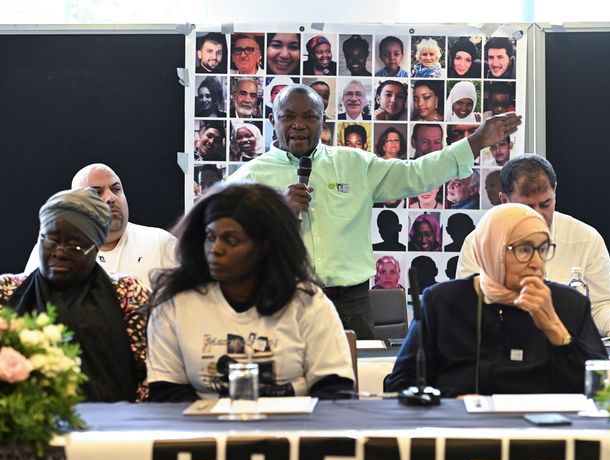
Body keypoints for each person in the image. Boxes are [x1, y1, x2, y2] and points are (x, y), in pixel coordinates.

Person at [230, 83, 520, 340]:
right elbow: (231, 242)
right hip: (280, 300)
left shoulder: (355, 164)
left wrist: (476, 140)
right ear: (272, 120)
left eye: (309, 116)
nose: (298, 124)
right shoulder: (247, 177)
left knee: (354, 386)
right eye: (288, 116)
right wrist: (276, 212)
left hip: (349, 304)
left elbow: (417, 173)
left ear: (323, 121)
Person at [147, 182, 354, 402]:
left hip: (292, 431)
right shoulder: (176, 304)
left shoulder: (307, 302)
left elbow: (335, 391)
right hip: (205, 431)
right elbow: (166, 392)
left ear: (263, 248)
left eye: (231, 240)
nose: (215, 249)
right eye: (210, 237)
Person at [385, 203, 605, 397]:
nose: (537, 263)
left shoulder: (570, 304)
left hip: (545, 434)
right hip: (463, 430)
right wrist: (451, 400)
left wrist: (555, 329)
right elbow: (400, 384)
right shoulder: (441, 303)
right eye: (524, 249)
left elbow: (600, 388)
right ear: (491, 249)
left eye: (543, 249)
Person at [456, 154, 610, 337]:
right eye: (528, 207)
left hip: (566, 350)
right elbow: (469, 311)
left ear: (555, 191)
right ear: (504, 201)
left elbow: (601, 305)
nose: (538, 216)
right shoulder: (478, 242)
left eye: (545, 204)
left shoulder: (586, 238)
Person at [5, 188, 149, 402]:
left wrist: (126, 423)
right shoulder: (6, 292)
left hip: (114, 424)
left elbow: (149, 374)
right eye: (51, 241)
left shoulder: (126, 292)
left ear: (97, 248)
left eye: (76, 246)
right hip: (25, 424)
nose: (60, 252)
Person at [25, 164, 177, 291]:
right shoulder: (52, 251)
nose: (111, 198)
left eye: (116, 189)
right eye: (97, 193)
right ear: (76, 205)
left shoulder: (160, 242)